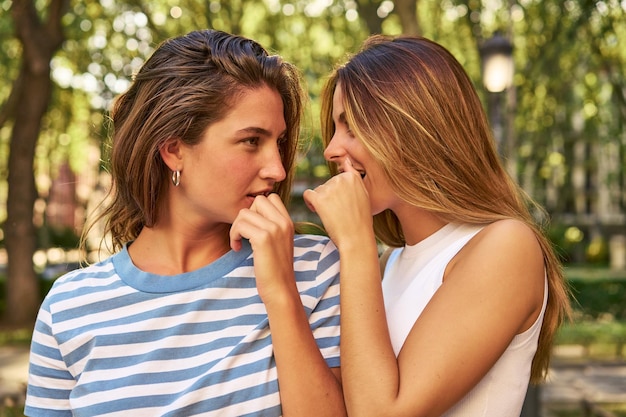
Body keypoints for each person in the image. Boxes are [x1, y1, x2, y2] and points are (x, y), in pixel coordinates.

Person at [25, 29, 345, 417]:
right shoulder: (68, 308)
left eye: (278, 142)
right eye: (251, 141)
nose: (277, 168)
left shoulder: (314, 268)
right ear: (174, 150)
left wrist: (281, 294)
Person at [304, 34, 571, 416]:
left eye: (352, 127)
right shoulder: (388, 262)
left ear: (413, 128)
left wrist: (355, 243)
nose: (330, 149)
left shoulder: (505, 246)